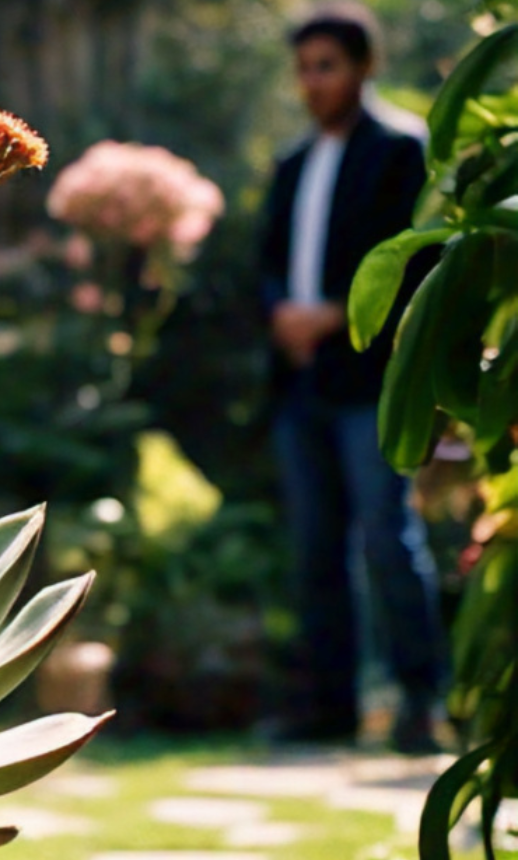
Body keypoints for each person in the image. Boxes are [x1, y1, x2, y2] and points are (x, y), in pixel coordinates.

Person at [258, 3, 445, 752]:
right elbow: (267, 263)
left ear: (364, 66)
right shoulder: (293, 162)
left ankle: (419, 704)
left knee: (388, 539)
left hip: (370, 379)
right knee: (314, 548)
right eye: (303, 69)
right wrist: (283, 316)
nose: (312, 83)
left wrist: (335, 314)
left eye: (326, 66)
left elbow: (421, 259)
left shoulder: (403, 150)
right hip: (299, 382)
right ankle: (329, 709)